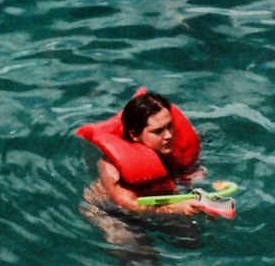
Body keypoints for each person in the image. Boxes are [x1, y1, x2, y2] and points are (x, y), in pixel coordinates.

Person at [79, 90, 235, 219]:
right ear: (134, 135)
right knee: (140, 254)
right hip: (110, 211)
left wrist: (196, 178)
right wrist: (175, 209)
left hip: (159, 200)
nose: (168, 135)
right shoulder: (111, 167)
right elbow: (128, 204)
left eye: (169, 126)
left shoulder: (171, 144)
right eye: (158, 131)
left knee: (191, 240)